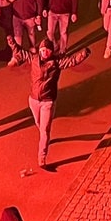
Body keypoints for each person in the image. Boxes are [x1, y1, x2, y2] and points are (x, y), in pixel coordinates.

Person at [25, 40, 91, 169]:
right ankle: (45, 138)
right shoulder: (34, 60)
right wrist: (12, 44)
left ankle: (41, 157)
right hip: (33, 100)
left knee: (44, 130)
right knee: (39, 124)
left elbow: (71, 61)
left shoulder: (56, 63)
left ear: (51, 51)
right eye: (42, 50)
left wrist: (83, 54)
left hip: (47, 101)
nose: (44, 52)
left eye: (47, 50)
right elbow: (21, 53)